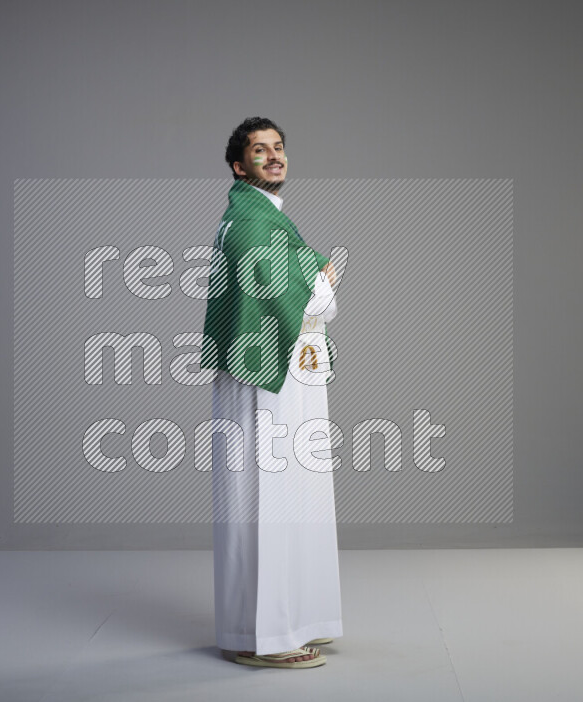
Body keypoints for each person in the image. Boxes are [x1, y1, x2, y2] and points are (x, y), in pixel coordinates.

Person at [201, 117, 342, 669]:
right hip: (266, 379)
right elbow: (297, 295)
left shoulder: (260, 219)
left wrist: (314, 279)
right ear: (240, 166)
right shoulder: (251, 223)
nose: (275, 156)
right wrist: (325, 280)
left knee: (279, 498)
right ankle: (266, 636)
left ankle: (274, 621)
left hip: (282, 370)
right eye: (261, 150)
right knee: (268, 498)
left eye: (279, 147)